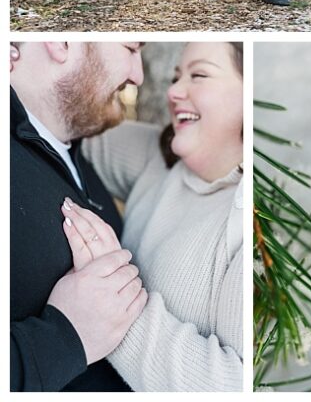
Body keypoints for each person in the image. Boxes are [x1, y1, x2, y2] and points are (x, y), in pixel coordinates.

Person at [61, 42, 245, 391]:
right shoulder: (157, 158)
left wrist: (111, 295)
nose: (174, 91)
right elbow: (59, 126)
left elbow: (233, 386)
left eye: (199, 75)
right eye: (177, 77)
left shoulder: (250, 221)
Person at [10, 42, 147, 391]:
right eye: (132, 48)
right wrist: (65, 336)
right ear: (61, 41)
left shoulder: (77, 153)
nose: (139, 75)